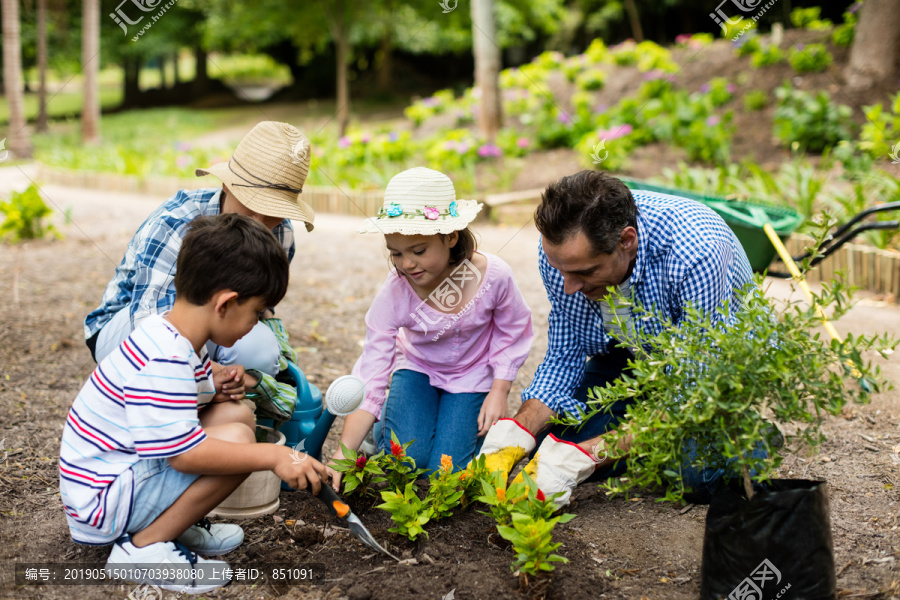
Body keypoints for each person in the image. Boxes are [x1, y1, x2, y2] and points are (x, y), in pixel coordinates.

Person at [59, 214, 328, 594]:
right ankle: (144, 548)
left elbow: (176, 400)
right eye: (255, 313)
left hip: (116, 478)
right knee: (239, 445)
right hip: (102, 503)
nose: (255, 325)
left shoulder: (166, 332)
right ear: (226, 303)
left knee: (235, 414)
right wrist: (274, 457)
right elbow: (184, 456)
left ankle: (175, 525)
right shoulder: (165, 358)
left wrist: (211, 385)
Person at [477, 170, 758, 506]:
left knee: (699, 476)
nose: (569, 286)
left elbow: (693, 389)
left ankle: (747, 433)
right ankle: (646, 431)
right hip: (630, 353)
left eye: (584, 273)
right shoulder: (564, 254)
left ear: (627, 241)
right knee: (552, 441)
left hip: (710, 368)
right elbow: (565, 357)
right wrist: (517, 431)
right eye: (561, 271)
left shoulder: (697, 251)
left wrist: (591, 453)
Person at [83, 121, 315, 409]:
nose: (258, 222)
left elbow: (257, 306)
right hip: (130, 326)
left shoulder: (282, 234)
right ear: (226, 185)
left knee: (259, 350)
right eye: (250, 204)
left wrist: (268, 366)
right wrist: (211, 375)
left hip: (211, 323)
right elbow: (150, 323)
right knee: (167, 365)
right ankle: (183, 401)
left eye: (273, 212)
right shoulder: (176, 222)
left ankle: (207, 406)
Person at [329, 167, 533, 486]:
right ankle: (379, 425)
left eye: (418, 251)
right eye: (395, 253)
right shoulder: (397, 290)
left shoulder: (493, 275)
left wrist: (499, 389)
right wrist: (342, 455)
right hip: (418, 368)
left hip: (472, 374)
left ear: (450, 237)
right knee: (407, 463)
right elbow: (373, 368)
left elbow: (513, 329)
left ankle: (449, 428)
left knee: (445, 473)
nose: (406, 263)